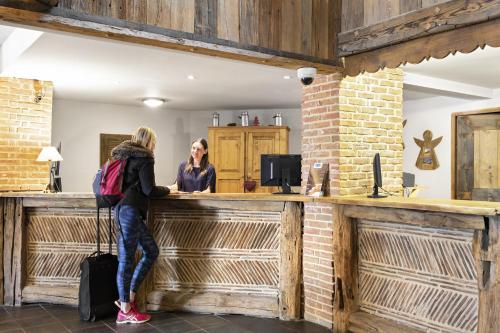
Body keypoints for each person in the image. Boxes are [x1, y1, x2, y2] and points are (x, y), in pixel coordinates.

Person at [111, 126, 170, 324]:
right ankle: (125, 309)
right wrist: (169, 189)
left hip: (121, 209)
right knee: (126, 259)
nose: (155, 146)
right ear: (149, 141)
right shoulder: (145, 157)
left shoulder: (123, 155)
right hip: (129, 211)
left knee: (151, 250)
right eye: (154, 142)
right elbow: (149, 190)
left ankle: (129, 299)